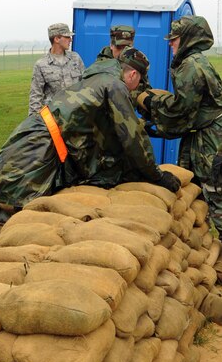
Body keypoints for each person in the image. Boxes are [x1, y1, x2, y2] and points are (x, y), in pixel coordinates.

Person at [48, 48, 181, 192]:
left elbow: (107, 129)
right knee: (27, 202)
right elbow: (132, 138)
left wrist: (141, 124)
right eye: (140, 81)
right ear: (133, 74)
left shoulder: (99, 78)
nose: (138, 87)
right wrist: (157, 176)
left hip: (50, 144)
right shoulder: (115, 86)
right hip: (41, 144)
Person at [137, 15, 222, 235]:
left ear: (188, 39)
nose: (170, 43)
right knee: (196, 196)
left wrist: (150, 102)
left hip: (209, 143)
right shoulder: (195, 61)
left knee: (215, 197)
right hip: (202, 136)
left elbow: (181, 110)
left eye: (174, 39)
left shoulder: (190, 66)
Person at [28, 23, 84, 115]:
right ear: (57, 39)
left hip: (77, 115)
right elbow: (36, 96)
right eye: (67, 37)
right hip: (54, 117)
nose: (71, 39)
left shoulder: (75, 58)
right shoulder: (41, 64)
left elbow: (85, 84)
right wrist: (34, 122)